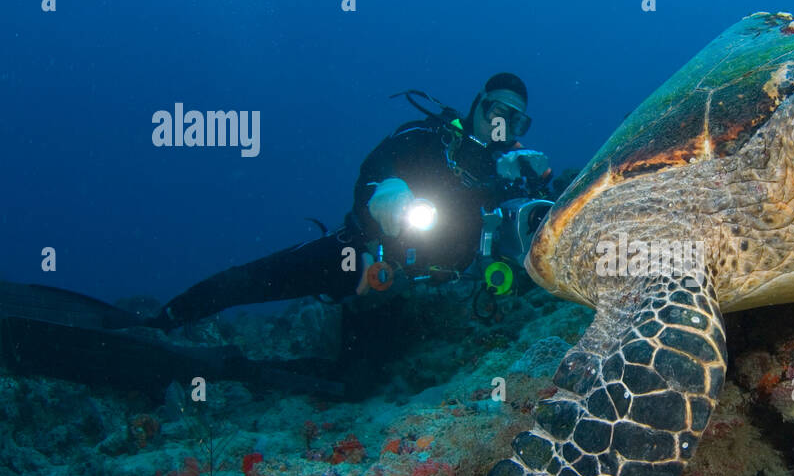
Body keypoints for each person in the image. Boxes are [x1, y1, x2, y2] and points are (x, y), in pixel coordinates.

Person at [152, 73, 553, 330]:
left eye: (516, 121)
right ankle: (165, 319)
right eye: (496, 111)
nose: (502, 125)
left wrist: (539, 190)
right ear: (477, 103)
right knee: (254, 280)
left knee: (363, 381)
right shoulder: (426, 139)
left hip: (443, 304)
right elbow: (375, 171)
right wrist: (386, 190)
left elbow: (538, 240)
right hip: (366, 262)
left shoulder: (515, 171)